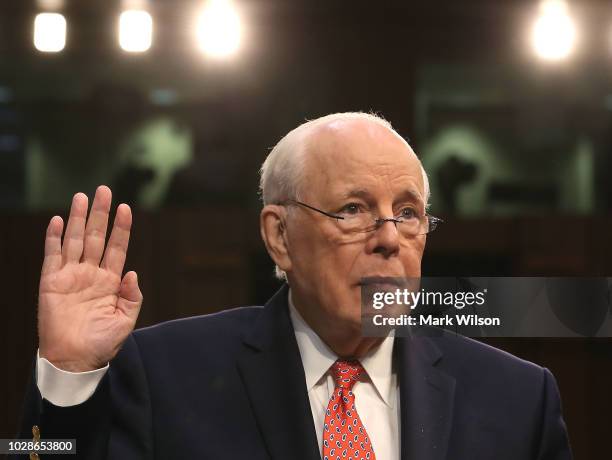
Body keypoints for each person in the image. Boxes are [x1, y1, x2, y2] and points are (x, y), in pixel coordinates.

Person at [15, 112, 572, 459]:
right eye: (353, 210)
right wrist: (63, 378)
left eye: (408, 213)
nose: (389, 238)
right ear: (280, 237)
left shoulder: (518, 399)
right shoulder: (163, 375)